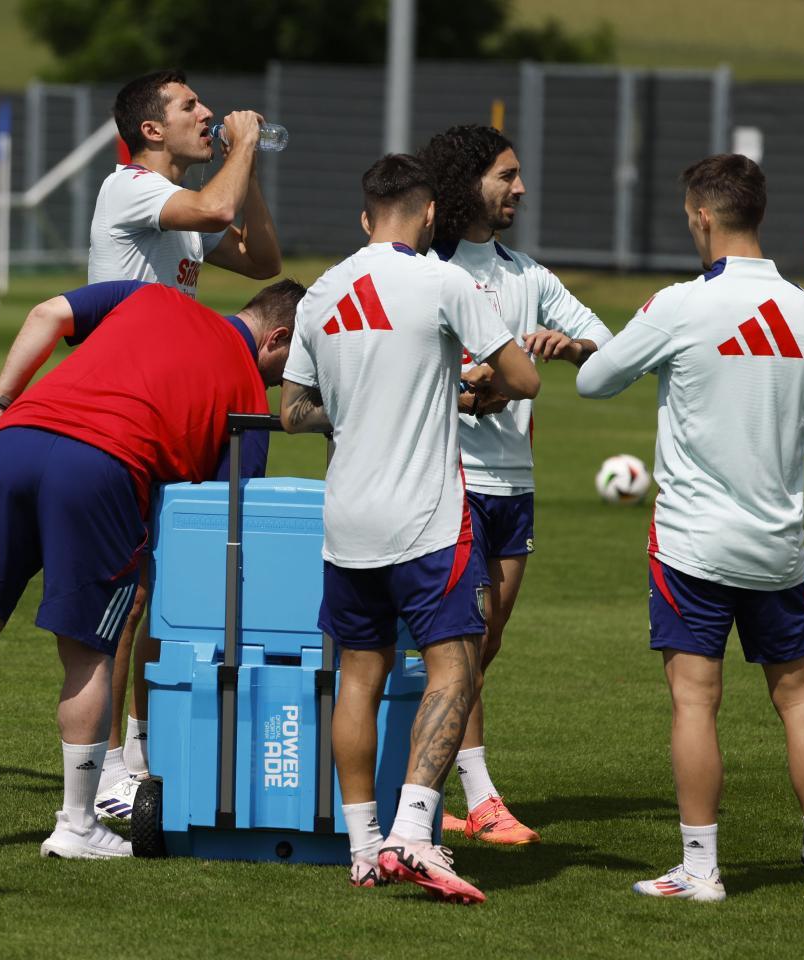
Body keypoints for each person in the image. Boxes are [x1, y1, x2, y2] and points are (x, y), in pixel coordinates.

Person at [0, 277, 302, 860]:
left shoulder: (153, 294)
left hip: (15, 439)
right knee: (88, 653)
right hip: (100, 465)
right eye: (296, 360)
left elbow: (46, 313)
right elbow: (220, 521)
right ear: (277, 337)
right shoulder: (247, 396)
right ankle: (76, 825)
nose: (290, 380)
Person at [578, 154, 804, 901]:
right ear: (760, 214)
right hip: (778, 546)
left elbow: (593, 379)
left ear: (702, 216)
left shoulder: (678, 305)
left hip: (692, 545)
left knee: (694, 699)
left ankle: (702, 869)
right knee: (799, 696)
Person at [280, 154, 539, 905]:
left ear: (366, 217)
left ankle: (363, 849)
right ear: (429, 216)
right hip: (426, 518)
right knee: (454, 667)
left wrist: (357, 411)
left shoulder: (322, 292)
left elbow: (296, 411)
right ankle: (415, 835)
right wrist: (476, 387)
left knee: (360, 676)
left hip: (345, 518)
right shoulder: (444, 280)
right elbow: (524, 378)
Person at [87, 69, 282, 819]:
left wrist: (248, 159)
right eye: (189, 106)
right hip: (120, 415)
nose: (206, 113)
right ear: (151, 132)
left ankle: (139, 747)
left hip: (168, 413)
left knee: (161, 592)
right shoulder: (130, 188)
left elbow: (262, 259)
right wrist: (244, 147)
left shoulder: (183, 211)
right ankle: (106, 770)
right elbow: (218, 204)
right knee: (123, 599)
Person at [419, 124, 612, 845]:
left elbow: (611, 348)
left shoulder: (528, 276)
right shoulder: (423, 271)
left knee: (483, 644)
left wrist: (574, 347)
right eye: (507, 176)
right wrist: (467, 389)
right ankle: (477, 795)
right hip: (448, 480)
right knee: (459, 644)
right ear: (469, 182)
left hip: (514, 484)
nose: (520, 189)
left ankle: (422, 778)